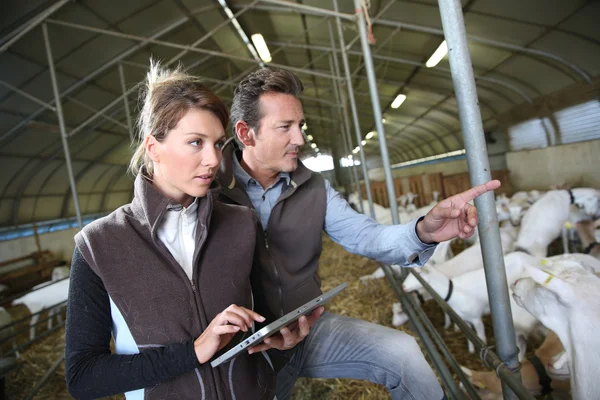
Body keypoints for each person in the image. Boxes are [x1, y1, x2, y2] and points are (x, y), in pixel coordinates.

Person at [216, 66, 501, 400]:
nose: (300, 139)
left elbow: (368, 236)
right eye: (285, 127)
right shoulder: (209, 189)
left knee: (403, 351)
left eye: (300, 125)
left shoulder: (313, 188)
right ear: (246, 134)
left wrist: (424, 230)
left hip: (306, 327)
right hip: (238, 347)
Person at [64, 62, 275, 400]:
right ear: (153, 148)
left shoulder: (241, 224)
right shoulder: (99, 245)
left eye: (218, 144)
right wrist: (192, 352)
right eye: (195, 142)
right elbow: (83, 377)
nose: (213, 160)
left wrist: (281, 336)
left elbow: (265, 314)